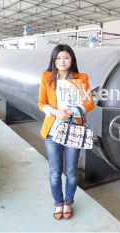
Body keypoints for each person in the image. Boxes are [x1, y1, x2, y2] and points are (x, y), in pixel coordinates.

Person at [38, 44, 94, 220]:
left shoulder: (81, 78)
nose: (62, 61)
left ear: (72, 59)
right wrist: (56, 112)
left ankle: (68, 202)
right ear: (54, 60)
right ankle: (58, 203)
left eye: (66, 58)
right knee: (55, 172)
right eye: (58, 58)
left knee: (71, 171)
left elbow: (89, 103)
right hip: (53, 132)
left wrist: (73, 111)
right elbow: (41, 102)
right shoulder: (47, 77)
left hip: (73, 131)